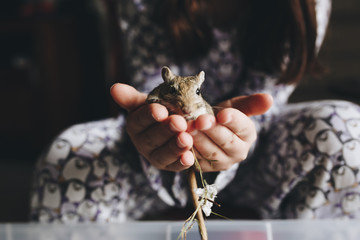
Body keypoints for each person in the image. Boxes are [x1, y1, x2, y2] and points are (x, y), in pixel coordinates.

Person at [30, 0, 360, 223]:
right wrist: (158, 127)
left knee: (347, 129)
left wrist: (234, 134)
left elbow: (267, 99)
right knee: (67, 155)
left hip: (260, 144)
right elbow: (153, 87)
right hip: (153, 150)